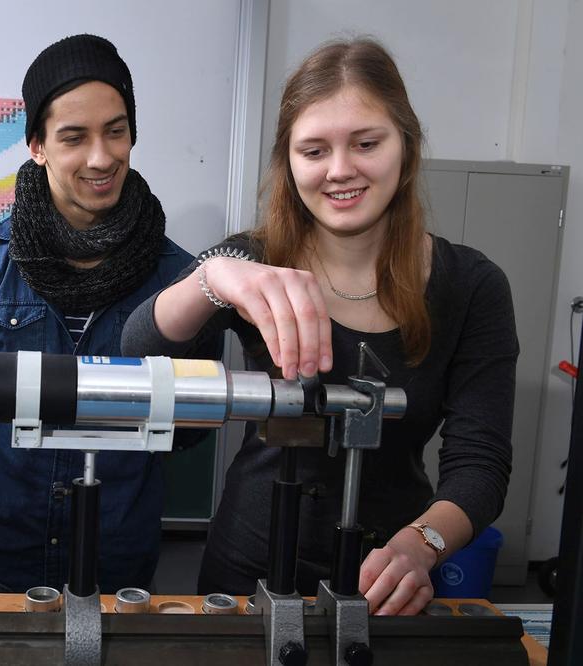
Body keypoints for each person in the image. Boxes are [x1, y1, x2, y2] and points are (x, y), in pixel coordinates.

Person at [121, 38, 518, 616]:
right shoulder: (252, 260)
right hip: (247, 568)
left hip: (386, 581)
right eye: (314, 150)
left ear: (406, 145)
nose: (339, 170)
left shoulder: (472, 285)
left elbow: (480, 463)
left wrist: (422, 544)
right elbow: (139, 347)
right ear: (289, 160)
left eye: (366, 143)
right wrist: (211, 278)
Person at [0, 34, 202, 593]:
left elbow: (190, 425)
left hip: (117, 565)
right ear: (37, 145)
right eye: (74, 137)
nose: (101, 158)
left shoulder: (180, 281)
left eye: (116, 131)